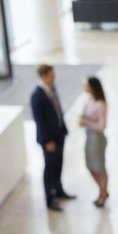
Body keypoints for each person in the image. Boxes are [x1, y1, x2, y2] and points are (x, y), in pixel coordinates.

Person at [30, 64, 75, 212]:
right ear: (44, 76)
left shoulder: (51, 89)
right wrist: (47, 141)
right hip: (49, 140)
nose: (54, 78)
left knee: (59, 164)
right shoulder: (37, 95)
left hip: (59, 135)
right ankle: (49, 199)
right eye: (51, 75)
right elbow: (40, 121)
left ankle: (58, 189)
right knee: (49, 168)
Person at [78, 77, 109, 208]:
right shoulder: (89, 101)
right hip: (89, 137)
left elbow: (102, 125)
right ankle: (103, 189)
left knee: (100, 168)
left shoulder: (100, 104)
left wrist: (87, 122)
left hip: (97, 138)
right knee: (90, 165)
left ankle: (102, 193)